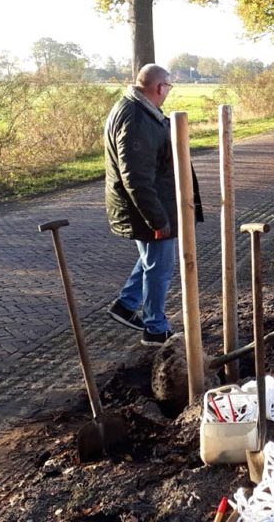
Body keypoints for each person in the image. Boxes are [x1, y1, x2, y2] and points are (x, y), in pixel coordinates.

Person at [104, 63, 203, 346]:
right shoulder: (136, 119)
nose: (168, 93)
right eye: (168, 87)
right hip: (147, 209)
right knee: (160, 267)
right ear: (160, 88)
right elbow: (136, 177)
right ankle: (155, 328)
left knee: (152, 260)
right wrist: (157, 220)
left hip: (148, 206)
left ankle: (126, 305)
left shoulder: (138, 111)